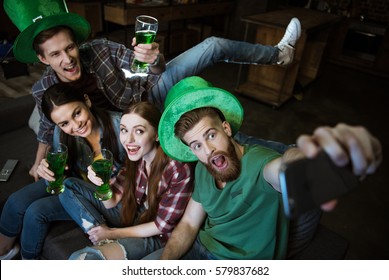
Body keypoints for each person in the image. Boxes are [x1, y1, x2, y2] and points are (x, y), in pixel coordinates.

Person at [4, 0, 302, 181]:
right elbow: (46, 130)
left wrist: (155, 59)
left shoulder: (99, 49)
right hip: (132, 125)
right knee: (205, 127)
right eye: (55, 55)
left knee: (213, 45)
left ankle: (279, 54)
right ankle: (289, 153)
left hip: (149, 91)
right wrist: (37, 163)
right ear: (43, 59)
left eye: (69, 48)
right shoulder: (45, 88)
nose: (67, 59)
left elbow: (144, 69)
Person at [142, 76, 382, 260]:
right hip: (199, 248)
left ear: (226, 128)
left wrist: (314, 161)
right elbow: (189, 224)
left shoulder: (260, 163)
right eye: (196, 145)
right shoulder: (203, 170)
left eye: (211, 135)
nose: (208, 150)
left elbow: (285, 168)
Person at [0, 83, 125, 260]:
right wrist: (48, 169)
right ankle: (7, 252)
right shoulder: (61, 133)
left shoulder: (122, 127)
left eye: (77, 113)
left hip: (106, 199)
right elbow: (64, 171)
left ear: (87, 101)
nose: (76, 125)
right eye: (65, 123)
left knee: (35, 212)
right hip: (73, 183)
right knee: (15, 201)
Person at [60, 101, 194, 260]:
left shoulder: (177, 168)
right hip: (135, 216)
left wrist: (113, 233)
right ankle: (99, 233)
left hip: (158, 235)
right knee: (69, 185)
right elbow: (112, 201)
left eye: (139, 131)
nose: (128, 139)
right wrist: (102, 185)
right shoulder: (135, 158)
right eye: (124, 130)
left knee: (82, 259)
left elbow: (162, 226)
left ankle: (105, 237)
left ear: (157, 134)